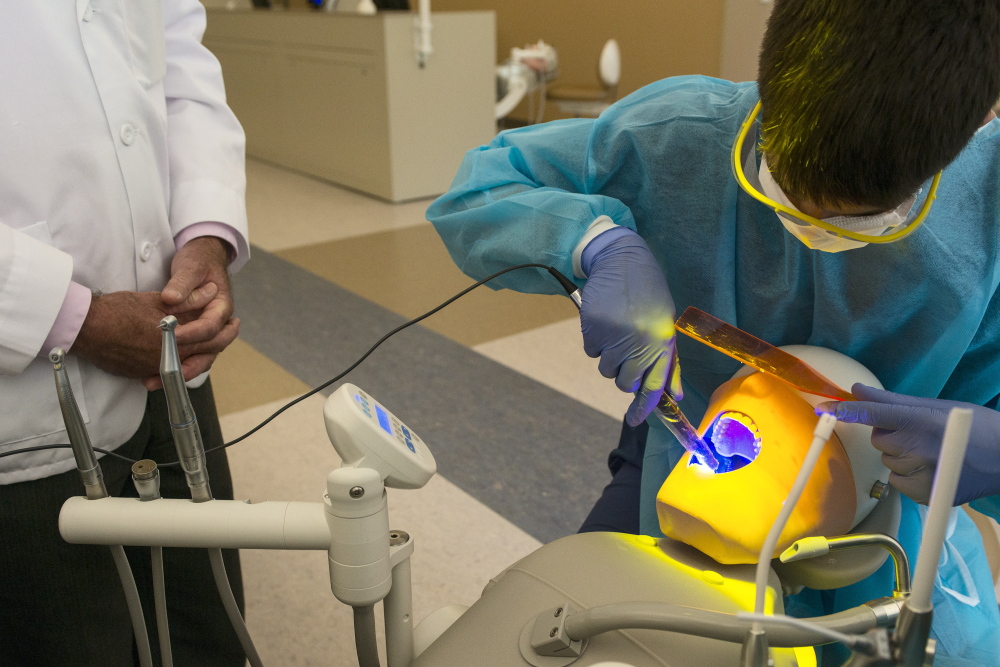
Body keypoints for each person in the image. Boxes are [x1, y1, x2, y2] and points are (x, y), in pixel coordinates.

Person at [427, 0, 1000, 664]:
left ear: (978, 123)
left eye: (857, 219)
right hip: (694, 452)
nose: (811, 228)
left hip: (898, 508)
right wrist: (591, 242)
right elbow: (478, 193)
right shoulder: (678, 135)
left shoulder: (986, 206)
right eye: (786, 188)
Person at [0, 3, 250, 665]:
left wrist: (206, 232)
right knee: (77, 640)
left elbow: (180, 69)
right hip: (22, 418)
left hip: (171, 364)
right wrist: (71, 316)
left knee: (209, 633)